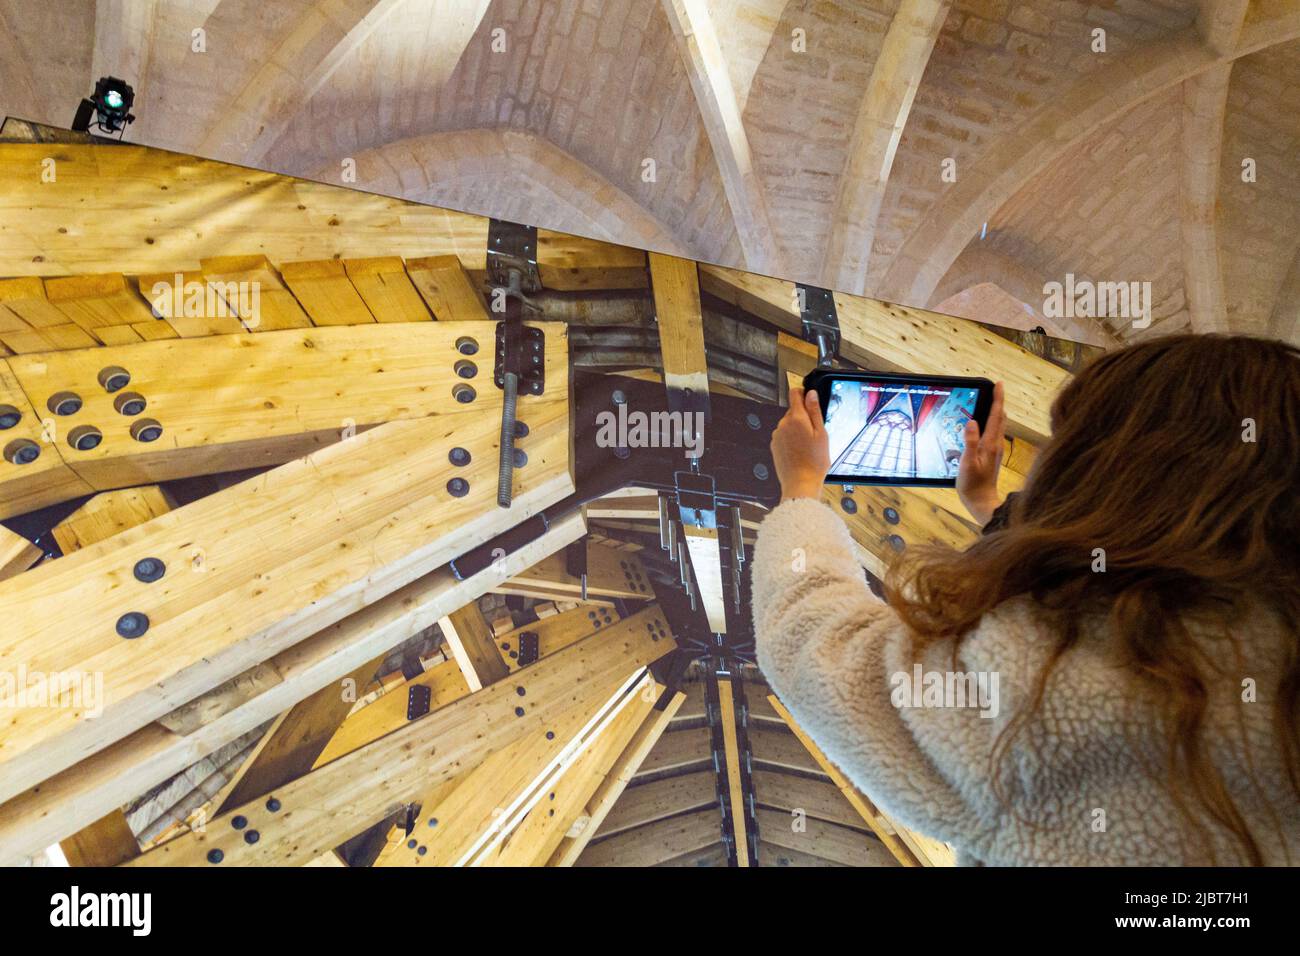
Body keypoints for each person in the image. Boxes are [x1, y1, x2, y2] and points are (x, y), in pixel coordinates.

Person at [753, 334, 1299, 865]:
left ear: (1103, 473)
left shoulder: (1039, 688)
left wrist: (801, 486)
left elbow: (820, 648)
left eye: (1063, 439)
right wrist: (993, 509)